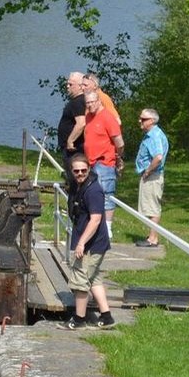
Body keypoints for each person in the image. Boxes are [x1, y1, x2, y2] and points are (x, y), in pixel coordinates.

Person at [63, 154, 114, 330]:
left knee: (80, 279)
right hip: (90, 241)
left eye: (83, 170)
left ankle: (79, 318)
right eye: (76, 171)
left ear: (89, 169)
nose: (80, 174)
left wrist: (81, 243)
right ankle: (106, 316)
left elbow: (96, 219)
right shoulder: (78, 186)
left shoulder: (93, 190)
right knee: (93, 278)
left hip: (92, 244)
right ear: (71, 171)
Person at [82, 92, 124, 238]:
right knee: (92, 194)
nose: (90, 105)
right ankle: (94, 223)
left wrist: (118, 157)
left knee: (106, 194)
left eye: (93, 102)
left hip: (104, 162)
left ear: (99, 101)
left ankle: (107, 227)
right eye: (87, 103)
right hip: (90, 163)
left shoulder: (107, 117)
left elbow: (119, 142)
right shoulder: (88, 116)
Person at [134, 108, 168, 247]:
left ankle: (153, 239)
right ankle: (152, 235)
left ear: (152, 121)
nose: (140, 121)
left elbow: (158, 157)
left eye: (143, 119)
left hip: (153, 176)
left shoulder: (154, 136)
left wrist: (147, 171)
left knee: (153, 207)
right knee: (150, 206)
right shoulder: (152, 134)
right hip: (152, 175)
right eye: (140, 118)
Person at [56, 72, 87, 156]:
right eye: (67, 84)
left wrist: (70, 141)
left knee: (72, 168)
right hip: (71, 147)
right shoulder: (77, 101)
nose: (67, 86)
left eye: (70, 84)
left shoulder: (78, 102)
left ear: (80, 86)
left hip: (74, 148)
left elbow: (81, 123)